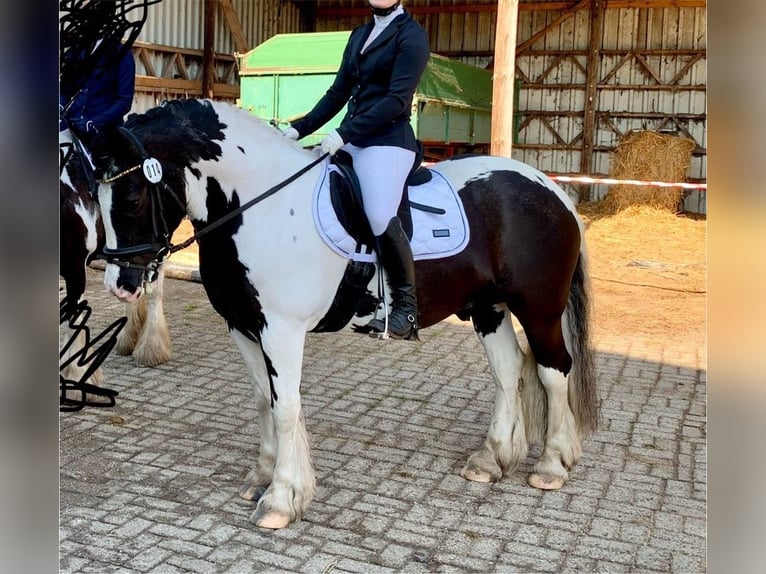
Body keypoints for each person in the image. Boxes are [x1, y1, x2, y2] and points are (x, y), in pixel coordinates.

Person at [284, 0, 430, 340]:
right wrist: (299, 129)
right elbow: (338, 92)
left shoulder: (411, 36)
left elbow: (396, 100)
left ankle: (406, 307)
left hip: (387, 141)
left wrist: (344, 133)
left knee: (379, 214)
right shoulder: (360, 34)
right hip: (351, 138)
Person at [59, 0, 136, 149]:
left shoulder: (121, 54)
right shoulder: (75, 52)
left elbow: (124, 101)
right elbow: (65, 90)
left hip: (104, 132)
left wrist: (95, 121)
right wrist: (60, 105)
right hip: (71, 127)